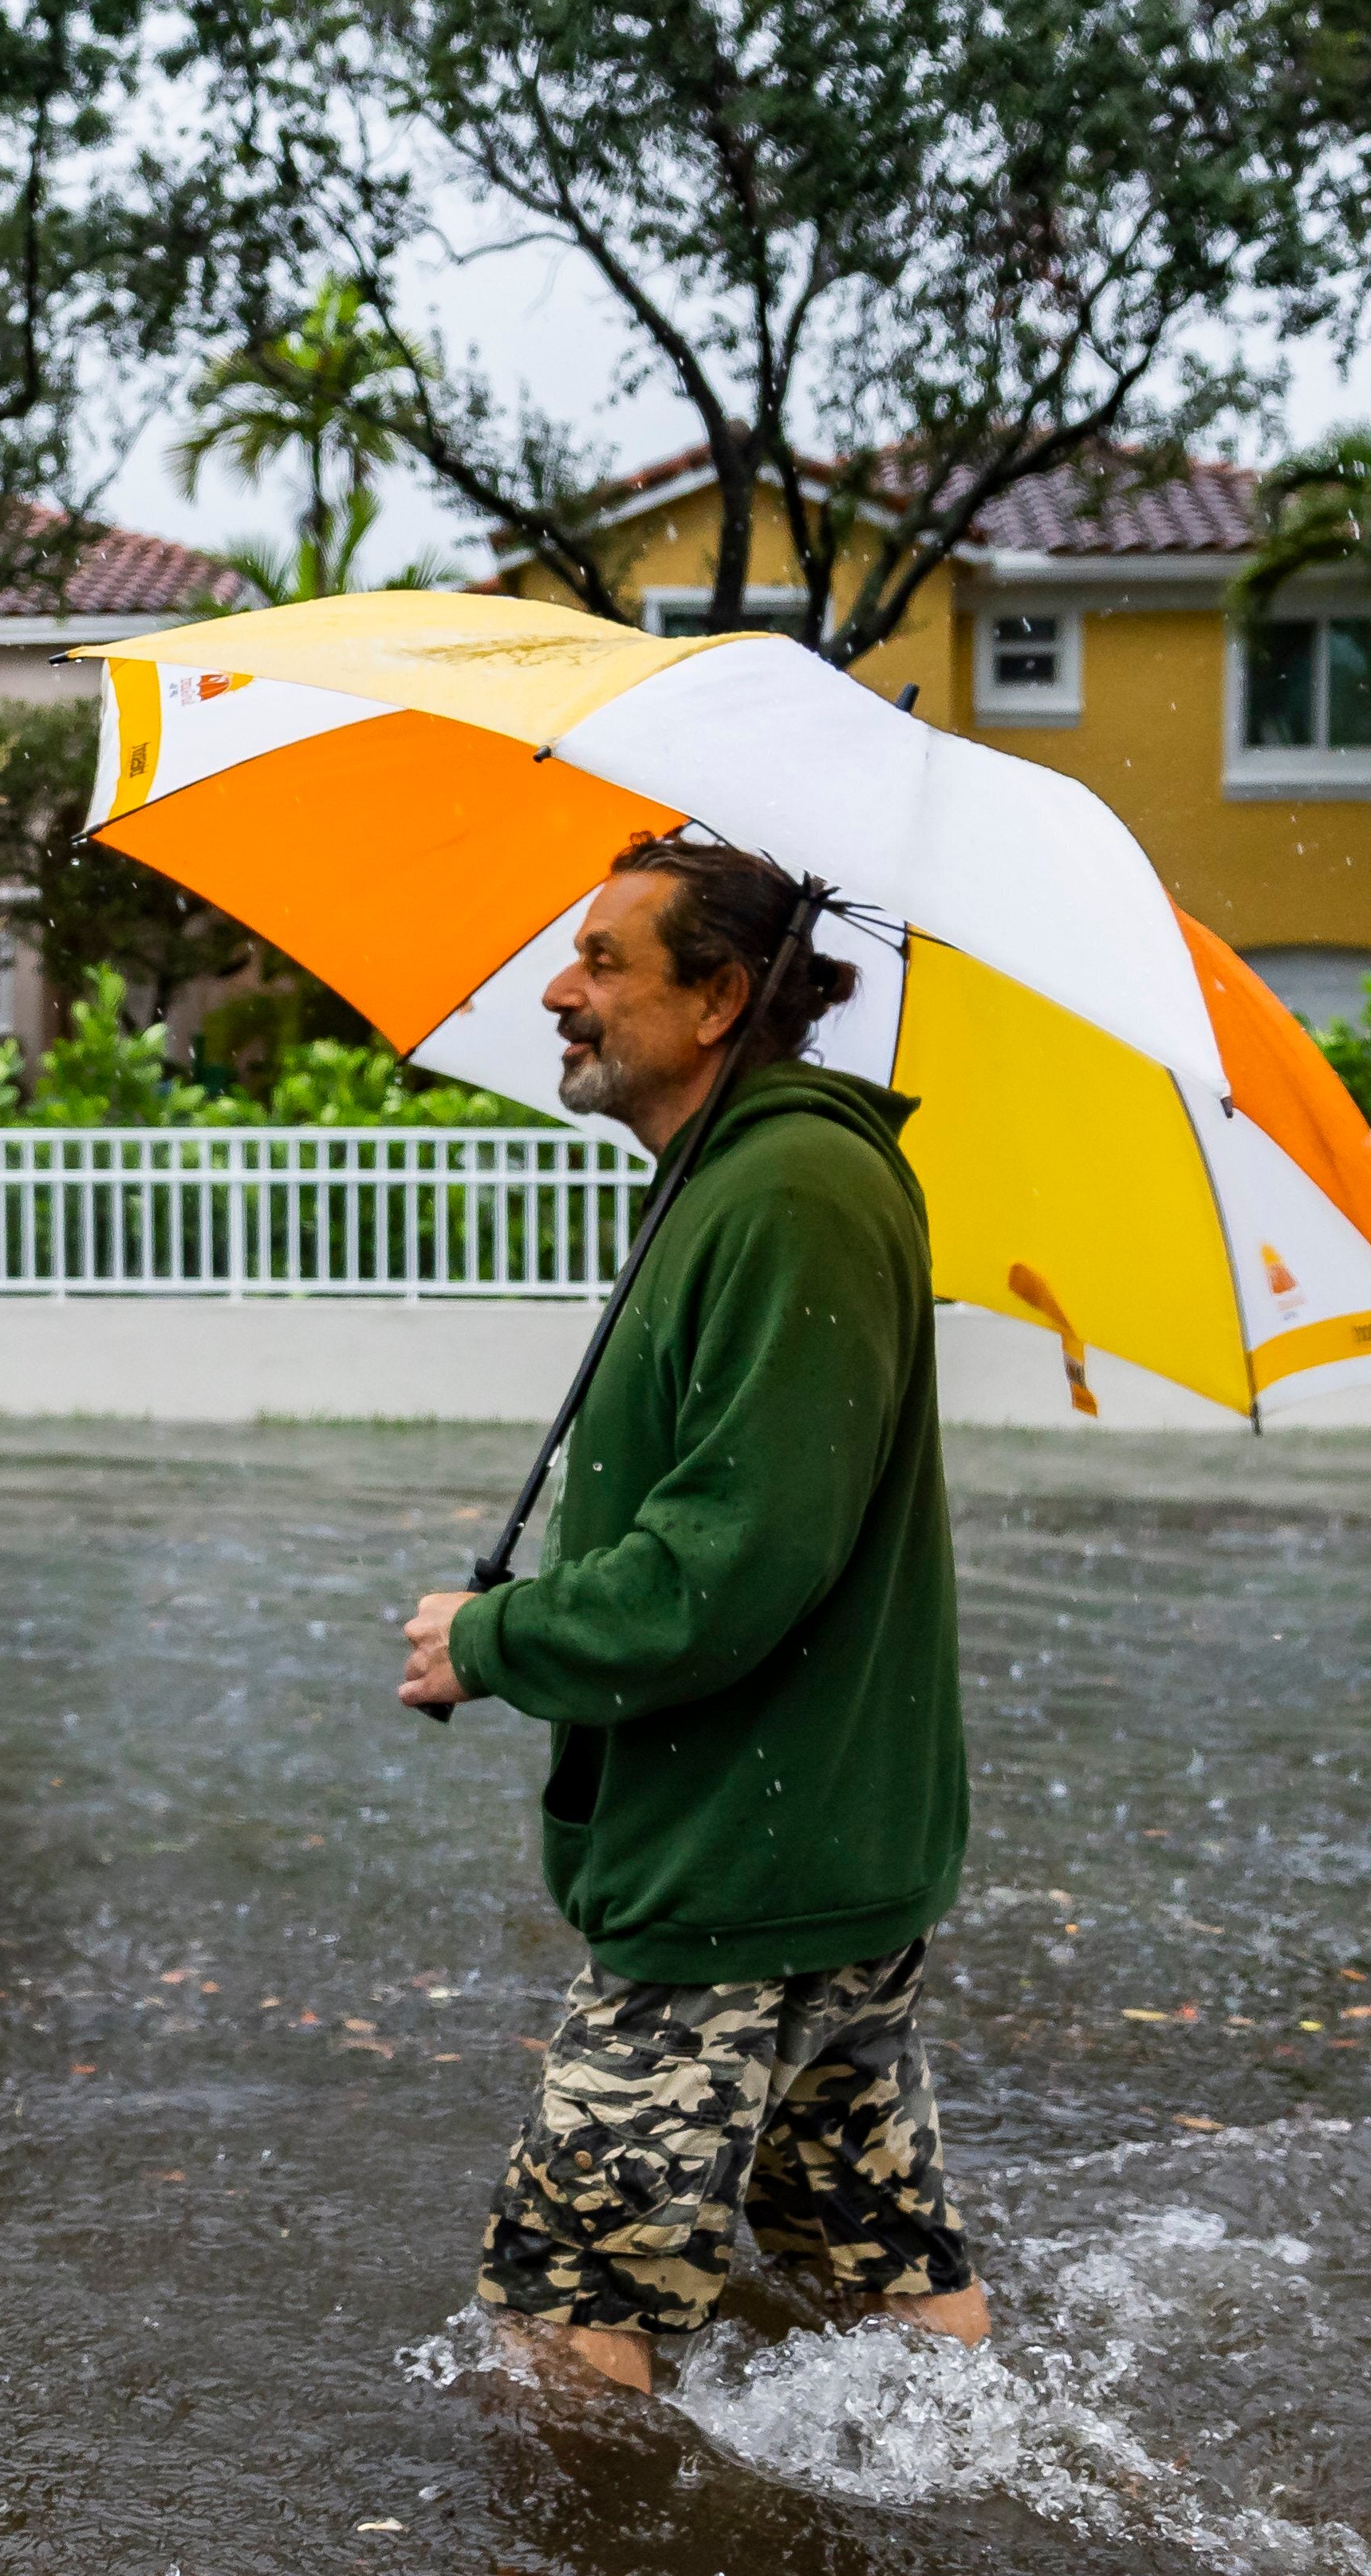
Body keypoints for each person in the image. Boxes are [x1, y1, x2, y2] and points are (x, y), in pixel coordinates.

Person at [395, 832, 987, 2395]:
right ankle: (961, 2567)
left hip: (736, 1869)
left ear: (721, 995)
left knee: (561, 2321)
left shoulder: (790, 1187)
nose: (558, 988)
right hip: (807, 1856)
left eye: (602, 959)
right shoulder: (740, 1179)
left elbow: (727, 1564)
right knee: (876, 2277)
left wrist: (492, 1637)